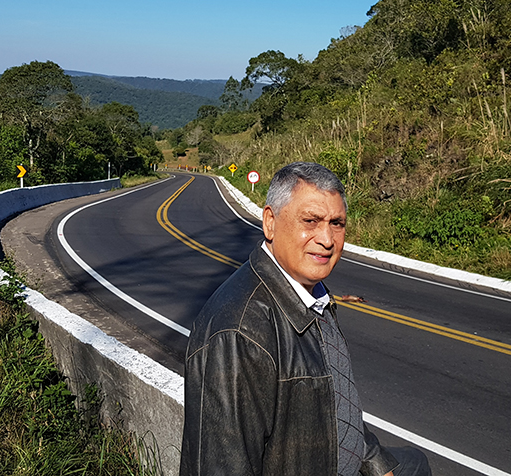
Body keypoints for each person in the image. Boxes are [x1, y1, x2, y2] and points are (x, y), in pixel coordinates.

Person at [180, 162, 430, 475]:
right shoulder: (240, 331)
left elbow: (337, 403)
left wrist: (377, 466)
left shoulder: (313, 296)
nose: (326, 239)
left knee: (414, 464)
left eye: (336, 223)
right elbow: (222, 464)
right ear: (270, 223)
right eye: (310, 221)